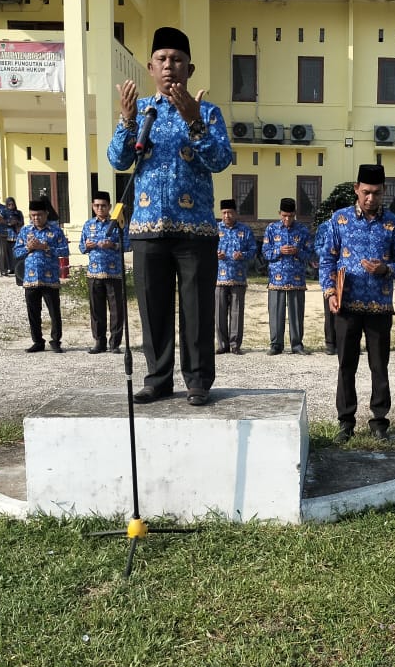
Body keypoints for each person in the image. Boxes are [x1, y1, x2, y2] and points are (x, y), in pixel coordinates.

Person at [107, 26, 233, 406]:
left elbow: (220, 159)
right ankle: (157, 379)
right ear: (150, 66)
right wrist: (127, 122)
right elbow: (118, 160)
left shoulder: (207, 112)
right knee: (153, 310)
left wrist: (194, 121)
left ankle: (197, 382)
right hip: (147, 228)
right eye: (162, 59)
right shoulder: (142, 111)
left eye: (177, 60)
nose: (169, 67)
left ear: (189, 68)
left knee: (196, 311)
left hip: (195, 232)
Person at [318, 164, 395, 442]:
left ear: (384, 192)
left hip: (379, 307)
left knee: (379, 366)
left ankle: (379, 422)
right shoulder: (339, 219)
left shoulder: (393, 223)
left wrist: (385, 269)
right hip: (346, 305)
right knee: (346, 364)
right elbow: (327, 259)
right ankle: (345, 422)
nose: (371, 198)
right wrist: (330, 291)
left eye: (377, 193)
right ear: (356, 189)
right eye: (366, 192)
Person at [13, 198, 71, 353]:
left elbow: (65, 251)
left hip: (50, 278)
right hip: (31, 278)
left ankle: (55, 340)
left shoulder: (55, 231)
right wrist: (28, 248)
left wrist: (46, 247)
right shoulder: (25, 231)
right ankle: (37, 341)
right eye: (32, 215)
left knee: (54, 311)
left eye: (39, 215)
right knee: (33, 312)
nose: (36, 218)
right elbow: (16, 252)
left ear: (46, 214)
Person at [79, 190, 128, 354]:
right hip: (94, 273)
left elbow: (127, 244)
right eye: (97, 205)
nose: (100, 208)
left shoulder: (117, 224)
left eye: (103, 206)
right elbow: (81, 247)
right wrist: (87, 246)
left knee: (116, 310)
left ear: (109, 207)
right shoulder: (88, 225)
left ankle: (115, 343)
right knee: (96, 310)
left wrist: (113, 245)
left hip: (114, 273)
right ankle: (99, 342)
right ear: (93, 206)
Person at [263, 197, 314, 355]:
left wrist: (297, 251)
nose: (287, 219)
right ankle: (276, 344)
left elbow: (310, 254)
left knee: (296, 312)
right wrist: (279, 251)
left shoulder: (303, 230)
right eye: (284, 215)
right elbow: (265, 252)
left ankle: (297, 344)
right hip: (276, 279)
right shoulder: (271, 229)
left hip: (296, 278)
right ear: (279, 214)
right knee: (276, 312)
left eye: (290, 216)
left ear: (295, 214)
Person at [214, 198, 257, 354]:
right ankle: (222, 344)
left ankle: (235, 345)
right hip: (219, 277)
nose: (227, 216)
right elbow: (205, 250)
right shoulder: (214, 229)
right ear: (221, 213)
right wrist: (215, 254)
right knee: (219, 312)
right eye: (224, 213)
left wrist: (243, 255)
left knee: (237, 312)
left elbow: (253, 250)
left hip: (238, 277)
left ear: (235, 213)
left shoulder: (244, 230)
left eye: (230, 212)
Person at [314, 216, 337, 355]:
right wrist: (329, 253)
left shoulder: (354, 225)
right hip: (329, 271)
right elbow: (317, 247)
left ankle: (346, 343)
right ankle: (330, 343)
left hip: (348, 271)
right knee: (330, 310)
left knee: (349, 311)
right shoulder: (324, 227)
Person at [3, 197, 24, 277]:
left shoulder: (18, 213)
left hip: (16, 235)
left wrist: (16, 222)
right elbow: (2, 222)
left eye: (12, 204)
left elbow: (22, 222)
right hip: (7, 235)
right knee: (8, 253)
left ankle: (16, 268)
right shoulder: (5, 213)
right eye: (9, 204)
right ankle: (10, 268)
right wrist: (9, 223)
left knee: (16, 252)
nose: (11, 206)